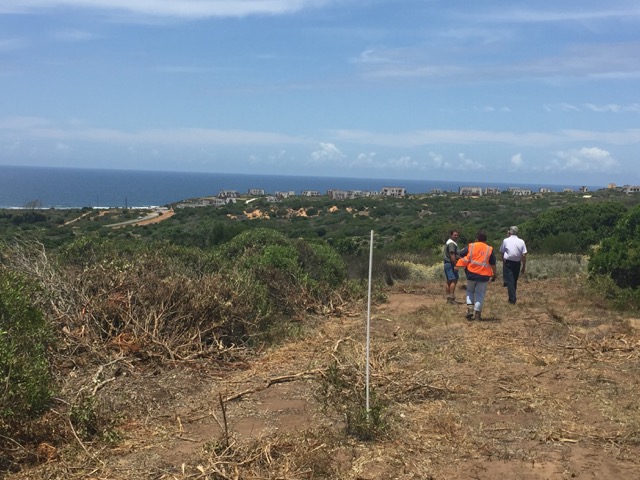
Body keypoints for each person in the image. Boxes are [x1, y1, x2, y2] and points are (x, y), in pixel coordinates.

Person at [456, 230, 497, 321]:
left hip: (471, 273)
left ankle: (470, 309)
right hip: (484, 275)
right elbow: (493, 263)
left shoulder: (471, 246)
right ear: (486, 239)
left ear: (477, 238)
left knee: (470, 291)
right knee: (480, 294)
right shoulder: (489, 249)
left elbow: (461, 254)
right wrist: (494, 274)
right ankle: (477, 314)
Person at [500, 226, 527, 304]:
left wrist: (503, 261)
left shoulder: (505, 240)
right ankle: (512, 297)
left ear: (510, 232)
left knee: (510, 281)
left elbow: (502, 252)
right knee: (514, 280)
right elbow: (524, 255)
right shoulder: (521, 241)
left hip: (508, 262)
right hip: (517, 263)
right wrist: (524, 266)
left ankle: (512, 299)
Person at [443, 230, 460, 304]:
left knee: (449, 281)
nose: (456, 236)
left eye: (457, 235)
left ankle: (448, 298)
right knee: (453, 280)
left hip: (447, 263)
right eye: (454, 235)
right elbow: (452, 254)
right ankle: (451, 298)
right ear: (451, 235)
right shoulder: (451, 244)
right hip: (450, 263)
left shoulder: (449, 242)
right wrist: (455, 265)